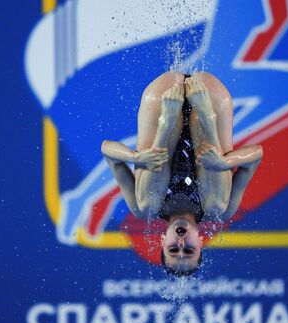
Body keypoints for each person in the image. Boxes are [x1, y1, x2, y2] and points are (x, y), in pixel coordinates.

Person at [101, 72, 263, 276]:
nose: (181, 242)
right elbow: (256, 155)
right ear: (200, 241)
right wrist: (224, 162)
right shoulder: (223, 209)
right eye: (188, 249)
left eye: (173, 249)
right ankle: (206, 118)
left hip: (162, 103)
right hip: (209, 102)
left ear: (162, 241)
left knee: (147, 206)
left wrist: (136, 158)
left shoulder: (141, 207)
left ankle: (166, 126)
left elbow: (107, 150)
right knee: (215, 206)